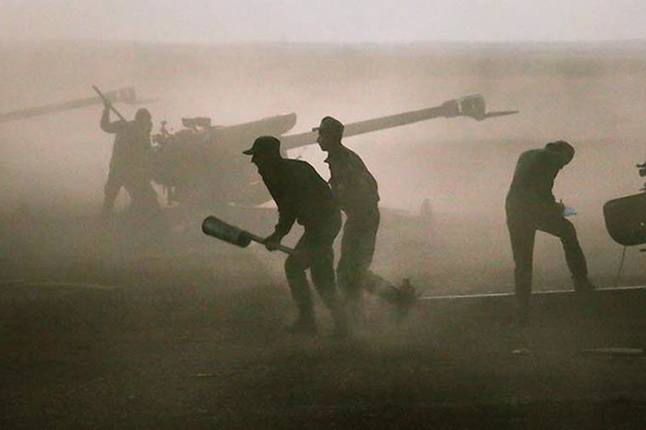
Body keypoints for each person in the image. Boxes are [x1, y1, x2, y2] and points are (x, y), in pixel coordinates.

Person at [314, 116, 416, 324]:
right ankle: (368, 312)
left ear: (331, 137)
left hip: (362, 218)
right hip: (360, 217)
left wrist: (331, 201)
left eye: (322, 135)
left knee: (351, 273)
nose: (318, 140)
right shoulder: (341, 158)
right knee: (350, 272)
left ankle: (390, 303)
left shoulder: (344, 161)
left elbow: (357, 191)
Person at [243, 136, 348, 336]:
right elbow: (286, 208)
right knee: (320, 274)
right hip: (318, 224)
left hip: (324, 222)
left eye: (257, 156)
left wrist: (278, 235)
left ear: (269, 157)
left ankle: (310, 322)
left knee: (295, 266)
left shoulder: (290, 173)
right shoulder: (273, 173)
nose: (253, 161)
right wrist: (278, 234)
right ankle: (340, 323)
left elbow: (290, 207)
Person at [506, 140, 595, 324]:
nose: (562, 166)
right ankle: (581, 281)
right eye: (565, 161)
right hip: (533, 209)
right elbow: (543, 191)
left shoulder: (527, 153)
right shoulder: (550, 158)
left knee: (523, 260)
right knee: (568, 231)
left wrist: (551, 207)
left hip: (514, 209)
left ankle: (522, 307)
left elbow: (531, 186)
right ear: (559, 151)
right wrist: (558, 209)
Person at [100, 100, 159, 216]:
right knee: (111, 193)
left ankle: (135, 213)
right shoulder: (124, 126)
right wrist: (106, 109)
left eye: (148, 123)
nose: (148, 125)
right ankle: (106, 218)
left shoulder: (143, 132)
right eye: (145, 122)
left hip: (133, 169)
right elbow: (106, 126)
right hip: (121, 166)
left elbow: (147, 151)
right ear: (140, 120)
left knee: (142, 195)